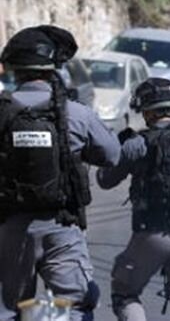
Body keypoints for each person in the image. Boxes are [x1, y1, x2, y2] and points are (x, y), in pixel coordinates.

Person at [0, 25, 121, 321]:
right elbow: (112, 155)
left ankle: (29, 315)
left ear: (14, 70)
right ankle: (47, 317)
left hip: (9, 227)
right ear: (53, 69)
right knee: (74, 304)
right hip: (61, 226)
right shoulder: (75, 113)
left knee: (9, 309)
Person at [97, 78, 170, 320]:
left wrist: (119, 146)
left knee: (125, 293)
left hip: (151, 232)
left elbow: (105, 180)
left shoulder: (139, 143)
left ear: (148, 111)